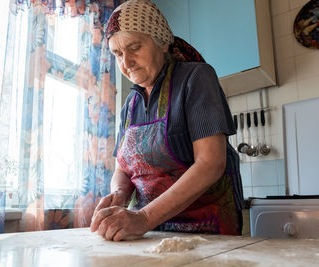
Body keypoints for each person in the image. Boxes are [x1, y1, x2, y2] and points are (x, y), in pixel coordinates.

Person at [90, 0, 243, 241]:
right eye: (118, 54)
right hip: (152, 234)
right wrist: (119, 195)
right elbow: (123, 169)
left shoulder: (196, 78)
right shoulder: (129, 105)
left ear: (161, 43)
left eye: (135, 47)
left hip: (208, 232)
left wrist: (143, 218)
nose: (126, 63)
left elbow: (211, 163)